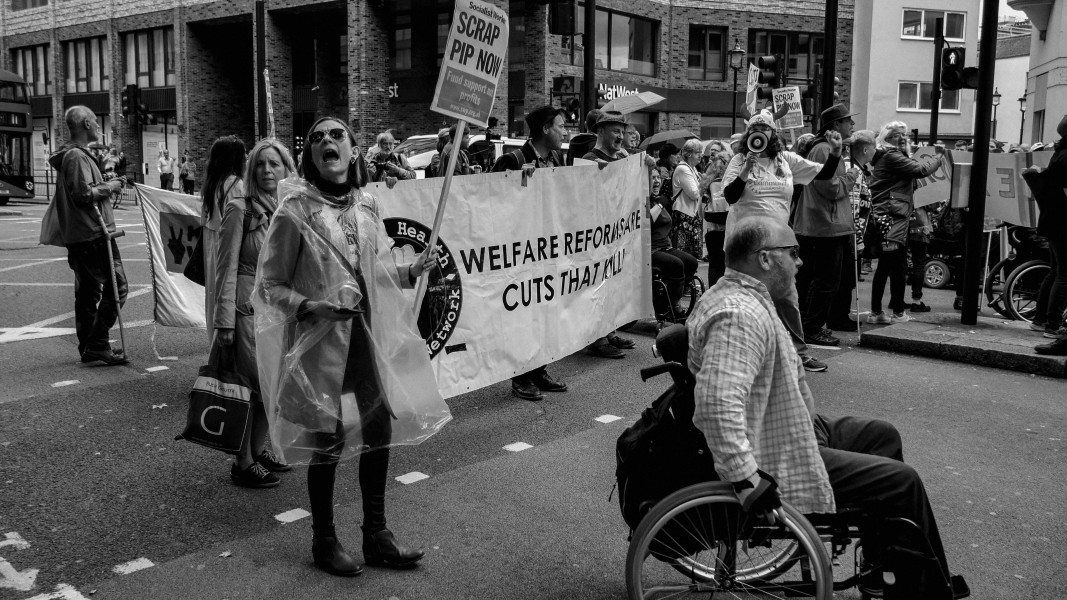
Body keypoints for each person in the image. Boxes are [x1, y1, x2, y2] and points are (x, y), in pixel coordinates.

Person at [688, 215, 969, 599]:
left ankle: (883, 571)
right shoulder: (740, 316)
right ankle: (923, 593)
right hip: (771, 450)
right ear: (766, 259)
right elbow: (717, 405)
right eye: (794, 252)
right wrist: (747, 479)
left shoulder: (744, 295)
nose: (800, 261)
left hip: (781, 421)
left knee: (882, 436)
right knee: (902, 483)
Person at [252, 116, 445, 577]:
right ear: (310, 156)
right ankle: (324, 541)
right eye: (317, 138)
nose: (326, 141)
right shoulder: (294, 211)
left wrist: (410, 272)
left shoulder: (368, 204)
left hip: (370, 339)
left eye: (336, 134)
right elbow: (269, 286)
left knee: (378, 430)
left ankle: (377, 535)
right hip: (321, 343)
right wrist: (311, 306)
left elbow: (372, 277)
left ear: (354, 151)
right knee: (329, 439)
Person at [721, 109, 844, 373]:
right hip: (746, 244)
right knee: (744, 298)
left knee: (787, 298)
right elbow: (730, 196)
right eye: (756, 128)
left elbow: (822, 175)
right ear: (749, 134)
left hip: (778, 242)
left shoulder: (785, 160)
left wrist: (835, 153)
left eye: (766, 128)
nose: (761, 132)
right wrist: (745, 171)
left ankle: (798, 354)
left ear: (772, 134)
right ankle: (740, 352)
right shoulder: (739, 159)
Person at [212, 138, 296, 488]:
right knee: (249, 387)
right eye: (260, 164)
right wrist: (224, 320)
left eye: (274, 164)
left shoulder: (291, 206)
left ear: (286, 169)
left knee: (270, 386)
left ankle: (258, 449)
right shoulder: (239, 209)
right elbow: (225, 267)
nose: (266, 171)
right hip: (247, 310)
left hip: (278, 311)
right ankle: (241, 461)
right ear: (251, 169)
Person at [492, 105, 571, 401]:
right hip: (521, 253)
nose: (565, 132)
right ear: (545, 129)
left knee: (544, 311)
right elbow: (492, 201)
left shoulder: (556, 159)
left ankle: (539, 368)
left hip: (548, 250)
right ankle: (520, 376)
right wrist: (520, 183)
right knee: (523, 315)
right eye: (561, 127)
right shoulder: (513, 160)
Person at [47, 105, 129, 365]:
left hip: (82, 234)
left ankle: (90, 346)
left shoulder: (75, 156)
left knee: (89, 292)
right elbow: (83, 194)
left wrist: (103, 181)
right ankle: (97, 343)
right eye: (95, 121)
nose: (97, 125)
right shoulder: (75, 157)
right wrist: (112, 186)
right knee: (119, 288)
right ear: (85, 124)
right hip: (93, 233)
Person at [793, 104, 864, 347]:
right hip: (824, 225)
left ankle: (810, 326)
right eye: (848, 121)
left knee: (823, 279)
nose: (852, 125)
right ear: (835, 125)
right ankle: (811, 327)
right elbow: (829, 188)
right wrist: (851, 177)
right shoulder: (824, 150)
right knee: (825, 280)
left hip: (825, 224)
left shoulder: (824, 148)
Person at [866, 121, 941, 324]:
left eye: (905, 134)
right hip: (893, 217)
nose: (903, 138)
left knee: (886, 266)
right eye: (898, 135)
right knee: (896, 266)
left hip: (890, 216)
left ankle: (877, 312)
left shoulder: (887, 156)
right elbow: (921, 170)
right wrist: (939, 157)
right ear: (887, 138)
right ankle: (897, 313)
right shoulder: (892, 156)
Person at [580, 110, 638, 359]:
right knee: (598, 285)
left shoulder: (622, 157)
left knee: (613, 283)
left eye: (622, 132)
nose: (620, 136)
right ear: (600, 131)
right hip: (598, 236)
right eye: (615, 131)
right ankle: (596, 337)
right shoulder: (590, 158)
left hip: (617, 234)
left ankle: (609, 331)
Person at [200, 136, 247, 345]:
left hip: (211, 245)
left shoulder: (211, 184)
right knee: (230, 294)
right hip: (228, 245)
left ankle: (214, 344)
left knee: (214, 295)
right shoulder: (236, 185)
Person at [1029, 113, 1067, 356]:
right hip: (1064, 221)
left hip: (1054, 221)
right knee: (1065, 275)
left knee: (1057, 270)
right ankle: (1053, 325)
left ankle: (1041, 318)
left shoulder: (1060, 153)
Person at [699, 142, 732, 285]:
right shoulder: (732, 183)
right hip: (728, 230)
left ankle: (713, 295)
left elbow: (701, 213)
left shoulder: (707, 184)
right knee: (728, 267)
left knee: (714, 266)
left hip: (711, 231)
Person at [670, 139, 705, 260]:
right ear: (689, 154)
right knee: (684, 256)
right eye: (697, 152)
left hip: (693, 216)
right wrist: (704, 183)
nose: (701, 155)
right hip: (684, 216)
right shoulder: (683, 169)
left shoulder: (693, 169)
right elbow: (695, 194)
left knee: (693, 257)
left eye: (701, 152)